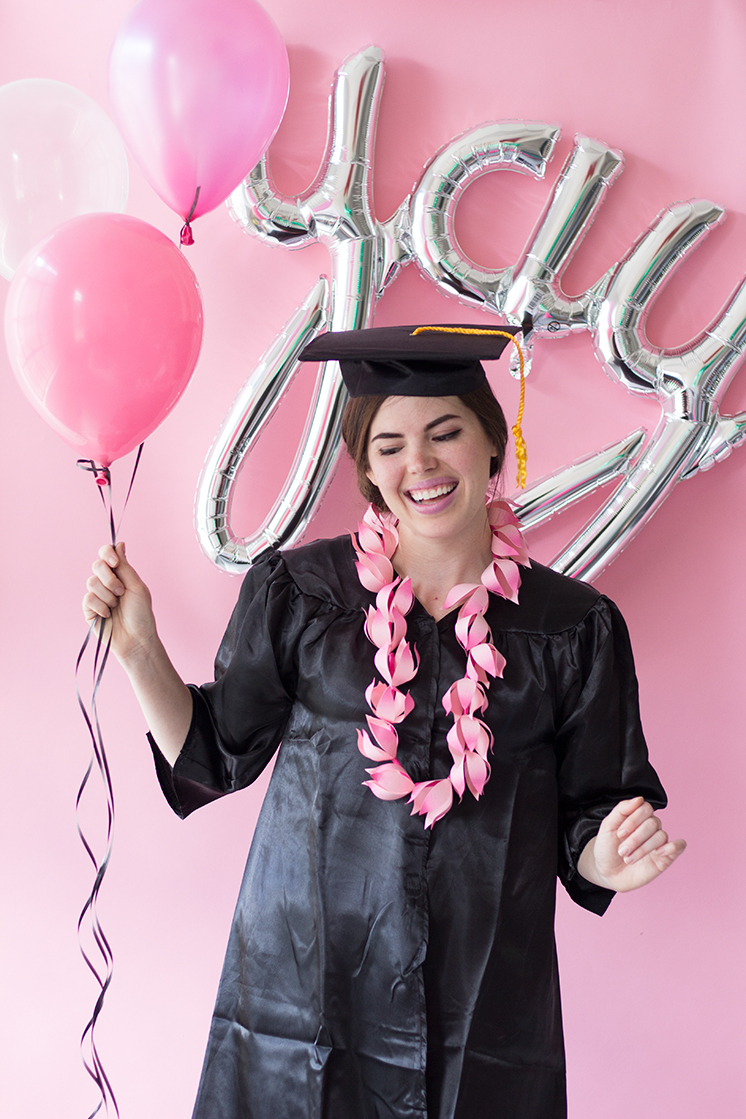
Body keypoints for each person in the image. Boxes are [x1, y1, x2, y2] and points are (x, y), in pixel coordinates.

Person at [83, 324, 685, 1119]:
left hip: (483, 1001)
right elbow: (213, 752)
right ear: (366, 469)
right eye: (390, 445)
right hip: (303, 992)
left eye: (445, 433)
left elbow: (592, 814)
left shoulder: (572, 627)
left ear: (491, 443)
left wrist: (605, 856)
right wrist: (138, 650)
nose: (421, 464)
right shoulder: (303, 594)